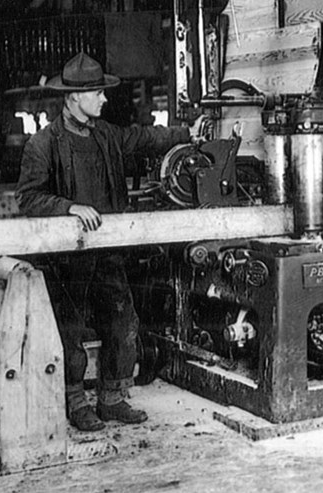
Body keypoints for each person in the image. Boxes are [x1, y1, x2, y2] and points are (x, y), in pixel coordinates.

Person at [17, 52, 203, 431]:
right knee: (69, 331)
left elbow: (145, 137)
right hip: (67, 257)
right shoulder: (43, 143)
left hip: (108, 249)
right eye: (97, 93)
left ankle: (113, 399)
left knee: (122, 322)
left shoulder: (106, 135)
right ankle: (75, 401)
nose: (104, 99)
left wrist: (189, 133)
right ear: (73, 98)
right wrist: (68, 207)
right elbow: (29, 197)